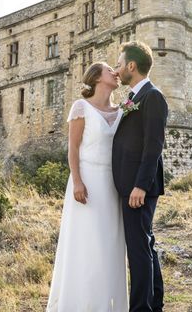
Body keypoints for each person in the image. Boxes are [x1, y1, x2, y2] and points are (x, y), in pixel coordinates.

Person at [46, 62, 128, 311]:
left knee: (110, 242)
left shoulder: (123, 109)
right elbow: (73, 148)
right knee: (86, 242)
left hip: (112, 184)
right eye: (108, 69)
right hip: (87, 180)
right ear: (96, 78)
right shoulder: (81, 107)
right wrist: (78, 181)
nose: (115, 72)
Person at [112, 41, 168, 312]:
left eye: (119, 64)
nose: (117, 69)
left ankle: (141, 309)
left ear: (131, 66)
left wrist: (140, 186)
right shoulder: (134, 98)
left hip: (138, 187)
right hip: (132, 185)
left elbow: (154, 145)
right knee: (146, 244)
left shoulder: (152, 96)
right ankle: (154, 304)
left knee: (138, 250)